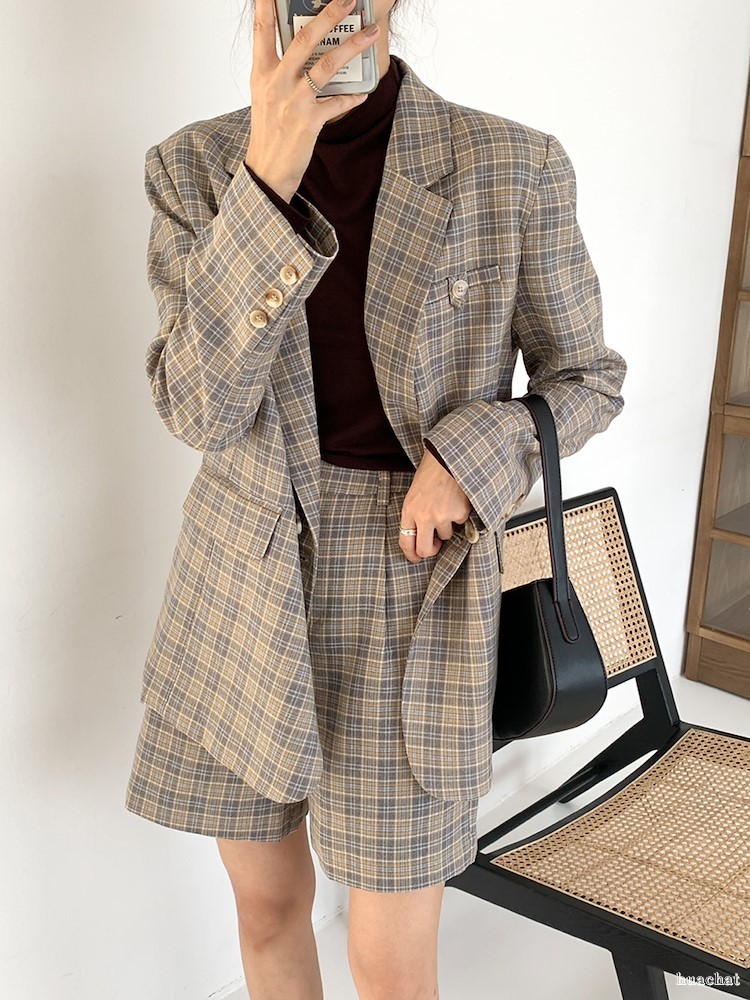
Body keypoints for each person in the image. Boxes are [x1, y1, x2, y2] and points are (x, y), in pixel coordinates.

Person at [124, 0, 628, 997]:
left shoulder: (510, 165)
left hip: (415, 586)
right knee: (268, 909)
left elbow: (587, 380)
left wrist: (471, 454)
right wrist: (266, 182)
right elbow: (198, 410)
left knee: (391, 962)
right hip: (240, 580)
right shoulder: (196, 169)